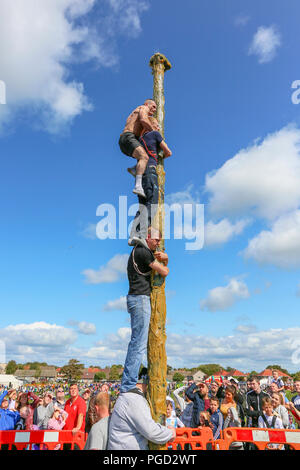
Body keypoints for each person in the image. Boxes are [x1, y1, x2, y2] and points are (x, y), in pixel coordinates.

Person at [120, 227, 169, 393]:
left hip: (137, 299)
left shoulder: (139, 250)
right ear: (148, 237)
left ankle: (130, 382)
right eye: (156, 240)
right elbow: (164, 271)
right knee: (138, 343)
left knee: (138, 341)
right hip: (140, 299)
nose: (157, 243)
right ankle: (128, 384)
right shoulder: (143, 251)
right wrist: (166, 259)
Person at [128, 117, 172, 243]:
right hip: (150, 171)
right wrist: (160, 155)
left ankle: (133, 234)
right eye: (157, 125)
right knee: (152, 204)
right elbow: (168, 152)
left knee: (142, 205)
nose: (158, 128)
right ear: (151, 125)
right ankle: (140, 234)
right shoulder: (155, 134)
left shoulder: (139, 140)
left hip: (140, 174)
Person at [108, 370, 175, 450]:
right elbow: (150, 431)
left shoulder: (128, 396)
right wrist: (170, 433)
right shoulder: (135, 399)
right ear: (148, 384)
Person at [119, 99, 157, 198]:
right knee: (144, 157)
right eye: (153, 106)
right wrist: (154, 132)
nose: (154, 109)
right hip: (128, 137)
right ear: (146, 104)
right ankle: (138, 186)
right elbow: (143, 120)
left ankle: (135, 169)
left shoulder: (134, 113)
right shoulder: (143, 108)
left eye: (156, 108)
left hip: (125, 141)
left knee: (142, 157)